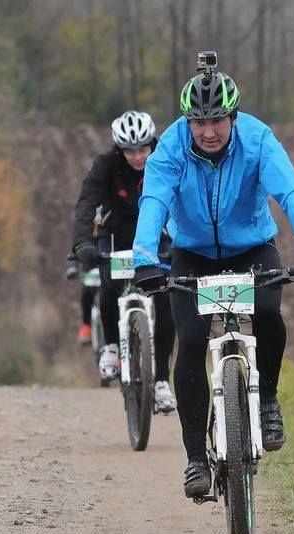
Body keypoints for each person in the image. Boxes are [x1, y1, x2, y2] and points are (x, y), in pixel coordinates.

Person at [130, 55, 294, 497]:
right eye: (198, 121)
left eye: (217, 120)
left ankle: (269, 402)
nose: (208, 131)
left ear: (233, 117)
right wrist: (144, 258)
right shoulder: (170, 148)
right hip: (192, 254)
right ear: (187, 121)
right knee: (191, 341)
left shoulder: (258, 140)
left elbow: (291, 191)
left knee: (268, 313)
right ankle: (195, 460)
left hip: (252, 250)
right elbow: (154, 203)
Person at [71, 110, 177, 413]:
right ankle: (111, 346)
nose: (138, 156)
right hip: (115, 232)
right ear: (119, 149)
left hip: (157, 233)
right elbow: (86, 203)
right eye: (130, 150)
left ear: (152, 144)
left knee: (165, 297)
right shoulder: (105, 165)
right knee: (109, 281)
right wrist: (82, 243)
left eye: (143, 148)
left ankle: (161, 382)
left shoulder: (166, 158)